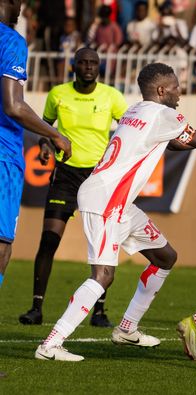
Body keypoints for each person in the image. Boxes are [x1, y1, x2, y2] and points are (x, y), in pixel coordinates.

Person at [34, 62, 196, 362]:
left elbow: (174, 144)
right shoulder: (164, 113)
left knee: (165, 257)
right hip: (107, 199)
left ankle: (127, 328)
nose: (179, 92)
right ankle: (51, 344)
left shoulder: (137, 110)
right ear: (161, 90)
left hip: (116, 200)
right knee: (103, 275)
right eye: (175, 87)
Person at [18, 48, 128, 327]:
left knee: (102, 243)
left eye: (93, 63)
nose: (88, 66)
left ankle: (99, 311)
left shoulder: (112, 96)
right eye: (83, 62)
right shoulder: (58, 94)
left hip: (99, 177)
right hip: (64, 175)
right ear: (74, 66)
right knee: (49, 240)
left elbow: (129, 129)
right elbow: (46, 127)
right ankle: (36, 308)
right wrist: (45, 145)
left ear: (99, 68)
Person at [0, 0, 71, 291]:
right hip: (3, 155)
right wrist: (54, 135)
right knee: (2, 244)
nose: (22, 9)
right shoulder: (11, 41)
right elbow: (14, 106)